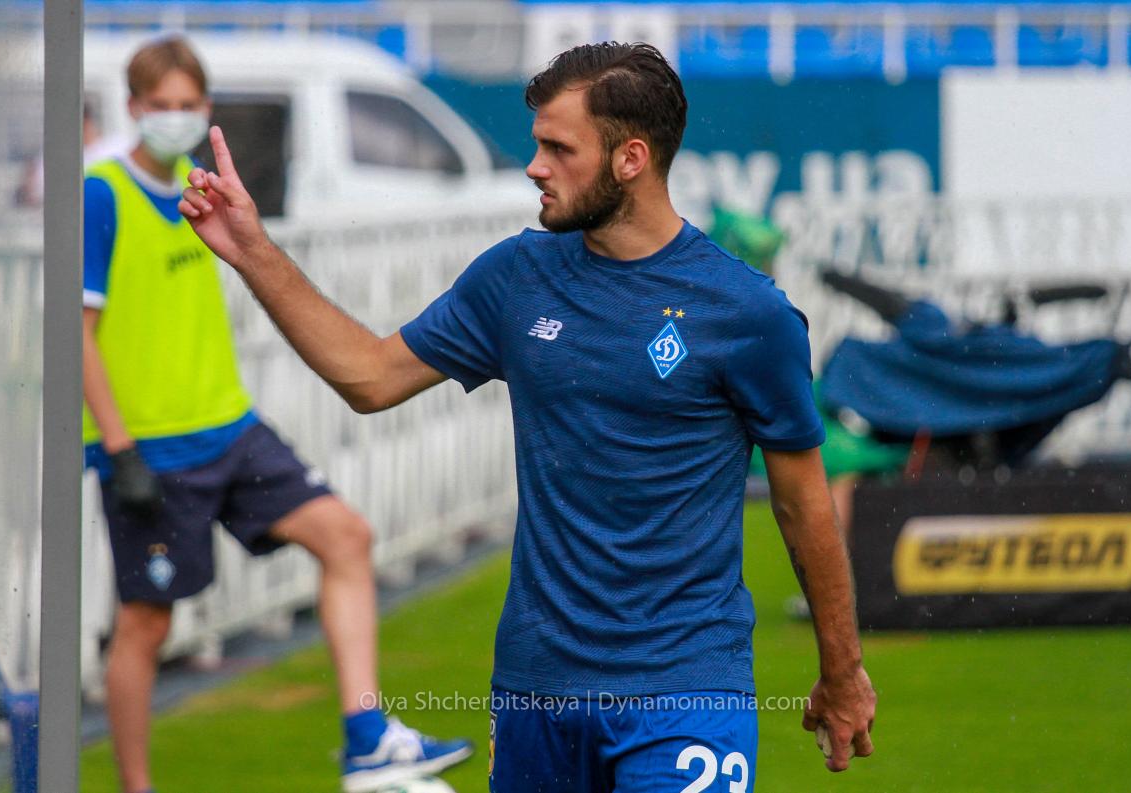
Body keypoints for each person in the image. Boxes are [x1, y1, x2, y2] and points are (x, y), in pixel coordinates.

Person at [179, 42, 876, 791]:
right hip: (534, 691)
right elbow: (370, 377)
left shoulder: (748, 313)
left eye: (559, 148)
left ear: (631, 159)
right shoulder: (517, 276)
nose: (535, 167)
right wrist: (253, 252)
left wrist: (842, 670)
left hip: (686, 693)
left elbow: (803, 503)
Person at [82, 35, 471, 793]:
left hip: (231, 427)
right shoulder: (102, 193)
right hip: (153, 448)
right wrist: (119, 448)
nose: (173, 116)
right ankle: (136, 786)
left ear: (206, 106)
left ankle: (367, 739)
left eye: (186, 103)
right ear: (132, 107)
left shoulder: (203, 188)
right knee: (146, 622)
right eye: (158, 104)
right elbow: (78, 335)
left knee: (346, 535)